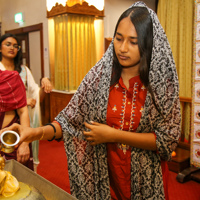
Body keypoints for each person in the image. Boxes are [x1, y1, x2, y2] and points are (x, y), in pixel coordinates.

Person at [1, 2, 181, 199]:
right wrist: (35, 132)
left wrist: (113, 135)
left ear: (148, 43)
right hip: (107, 177)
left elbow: (167, 140)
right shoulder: (100, 78)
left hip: (146, 180)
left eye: (133, 42)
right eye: (118, 39)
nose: (122, 48)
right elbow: (69, 122)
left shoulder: (161, 84)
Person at [0, 33, 53, 172]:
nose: (12, 48)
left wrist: (44, 86)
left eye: (16, 46)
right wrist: (22, 100)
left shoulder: (23, 71)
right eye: (8, 44)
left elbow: (36, 96)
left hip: (21, 120)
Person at [0, 69, 33, 169]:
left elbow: (23, 111)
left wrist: (24, 143)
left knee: (15, 181)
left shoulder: (11, 78)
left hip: (9, 142)